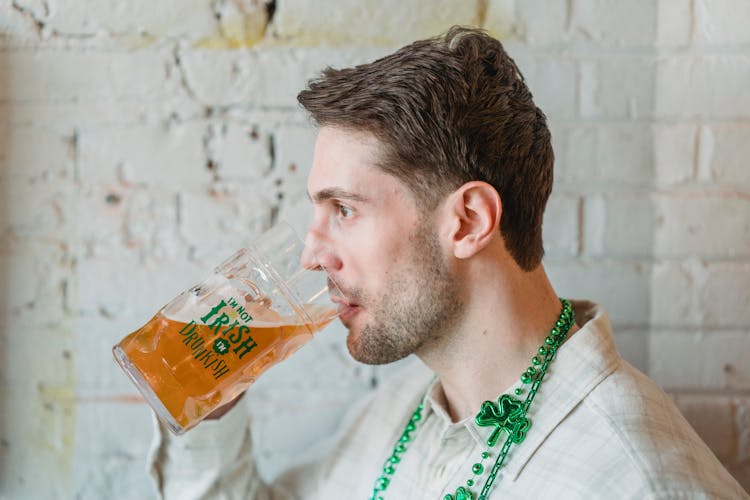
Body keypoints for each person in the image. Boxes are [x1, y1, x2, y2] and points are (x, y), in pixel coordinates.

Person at [147, 26, 748, 499]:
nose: (310, 255)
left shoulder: (636, 481)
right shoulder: (401, 411)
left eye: (346, 210)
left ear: (467, 222)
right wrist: (213, 404)